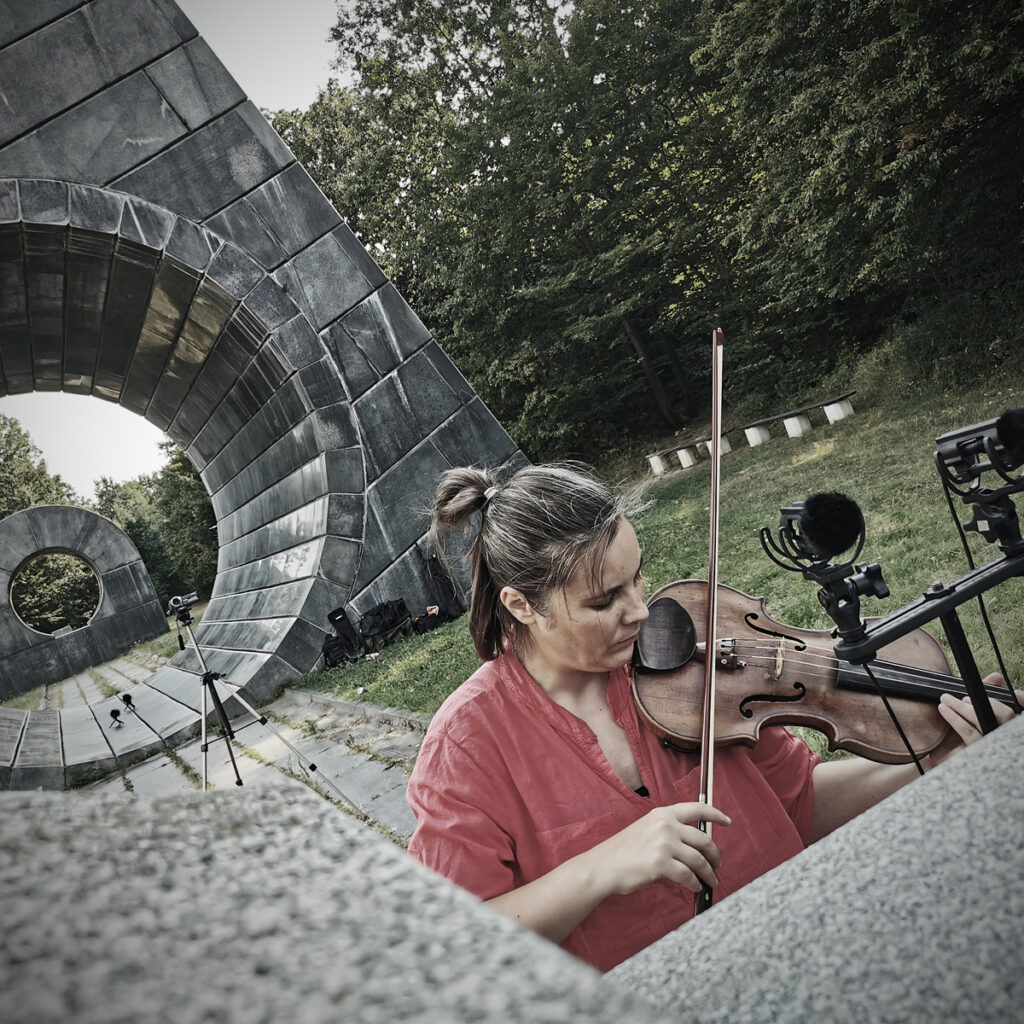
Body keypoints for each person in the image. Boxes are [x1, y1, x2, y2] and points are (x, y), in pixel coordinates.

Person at [406, 463, 1019, 973]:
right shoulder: (467, 744)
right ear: (521, 605)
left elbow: (798, 803)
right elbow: (456, 945)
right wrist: (600, 867)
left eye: (636, 577)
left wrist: (935, 759)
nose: (640, 611)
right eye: (604, 600)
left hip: (808, 953)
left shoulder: (695, 661)